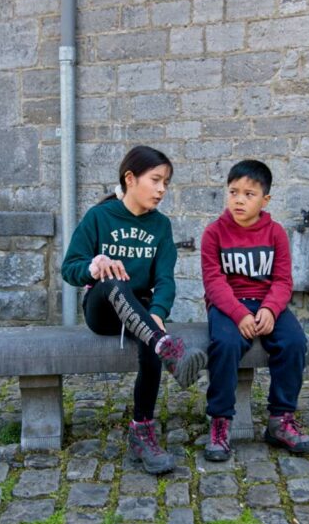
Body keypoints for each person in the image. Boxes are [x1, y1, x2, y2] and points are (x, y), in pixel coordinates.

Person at [61, 145, 207, 474]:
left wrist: (156, 312)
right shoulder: (99, 217)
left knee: (149, 338)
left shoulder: (161, 226)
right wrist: (94, 265)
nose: (161, 189)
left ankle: (142, 432)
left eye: (166, 183)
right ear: (130, 178)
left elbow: (166, 280)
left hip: (140, 316)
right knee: (114, 281)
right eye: (155, 180)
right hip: (102, 310)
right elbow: (69, 268)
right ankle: (168, 348)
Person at [200, 159, 309, 461]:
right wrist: (239, 314)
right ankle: (220, 422)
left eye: (249, 194)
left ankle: (280, 420)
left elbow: (282, 280)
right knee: (225, 345)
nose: (239, 199)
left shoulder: (275, 233)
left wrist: (270, 309)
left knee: (293, 342)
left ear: (265, 199)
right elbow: (214, 282)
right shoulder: (214, 233)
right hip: (228, 305)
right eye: (233, 191)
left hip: (266, 304)